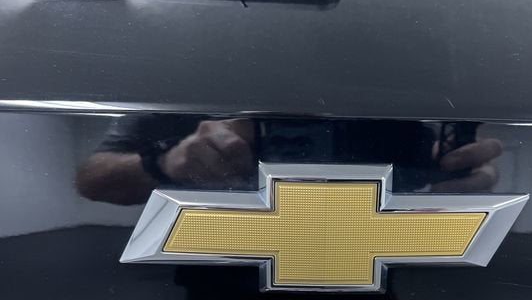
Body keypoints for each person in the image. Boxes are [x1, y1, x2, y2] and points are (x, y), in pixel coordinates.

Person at [76, 115, 502, 205]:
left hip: (371, 277)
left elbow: (437, 164)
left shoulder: (401, 80)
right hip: (215, 282)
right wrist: (165, 161)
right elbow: (91, 179)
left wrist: (459, 170)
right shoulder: (177, 64)